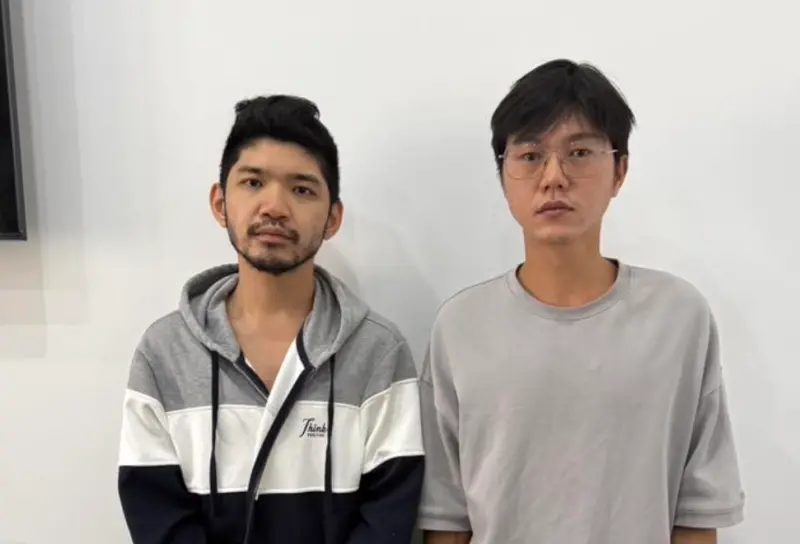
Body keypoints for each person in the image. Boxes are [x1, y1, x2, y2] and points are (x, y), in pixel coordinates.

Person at [417, 59, 745, 544]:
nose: (554, 177)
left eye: (579, 153)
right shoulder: (461, 326)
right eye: (530, 155)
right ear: (504, 175)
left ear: (619, 171)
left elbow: (698, 509)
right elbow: (446, 516)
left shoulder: (678, 317)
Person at [117, 95, 425, 544]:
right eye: (253, 183)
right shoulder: (164, 352)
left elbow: (389, 515)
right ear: (220, 203)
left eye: (302, 189)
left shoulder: (379, 353)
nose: (274, 207)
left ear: (333, 218)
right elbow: (155, 514)